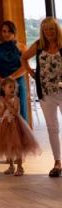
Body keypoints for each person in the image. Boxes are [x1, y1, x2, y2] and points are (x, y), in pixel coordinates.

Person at [22, 16, 62, 178]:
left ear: (56, 30)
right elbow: (23, 58)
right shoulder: (39, 45)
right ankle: (57, 163)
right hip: (46, 93)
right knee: (52, 128)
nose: (49, 32)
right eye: (45, 30)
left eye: (51, 29)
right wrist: (32, 73)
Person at [0, 77, 41, 176]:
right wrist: (1, 106)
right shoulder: (0, 100)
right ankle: (11, 166)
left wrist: (6, 104)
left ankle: (20, 167)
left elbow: (15, 112)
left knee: (17, 146)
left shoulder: (16, 99)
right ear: (3, 88)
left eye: (14, 87)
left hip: (15, 124)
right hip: (4, 125)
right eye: (10, 87)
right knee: (7, 146)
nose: (13, 89)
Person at [0, 20, 28, 121]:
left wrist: (11, 77)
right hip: (3, 84)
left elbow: (25, 67)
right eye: (4, 31)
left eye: (9, 31)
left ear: (14, 32)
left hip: (18, 83)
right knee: (3, 112)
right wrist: (0, 79)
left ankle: (22, 136)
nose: (6, 34)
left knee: (20, 111)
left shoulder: (22, 47)